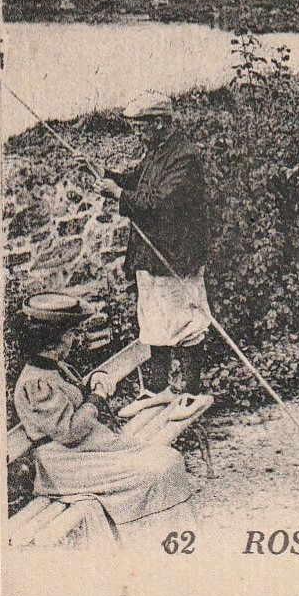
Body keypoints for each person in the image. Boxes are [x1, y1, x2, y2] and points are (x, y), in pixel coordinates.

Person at [11, 293, 197, 541]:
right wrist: (97, 398)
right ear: (57, 340)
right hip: (65, 465)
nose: (73, 340)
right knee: (157, 469)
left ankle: (173, 537)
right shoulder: (34, 384)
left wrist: (95, 379)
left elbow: (74, 393)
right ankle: (151, 539)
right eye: (71, 334)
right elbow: (69, 432)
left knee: (168, 458)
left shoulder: (53, 367)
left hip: (86, 451)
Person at [95, 92, 211, 395]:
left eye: (140, 126)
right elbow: (135, 181)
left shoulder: (184, 156)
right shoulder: (156, 151)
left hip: (174, 256)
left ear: (158, 122)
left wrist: (118, 196)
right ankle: (158, 392)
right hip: (150, 255)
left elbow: (160, 203)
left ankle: (190, 392)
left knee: (186, 323)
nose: (137, 132)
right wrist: (103, 173)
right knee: (153, 322)